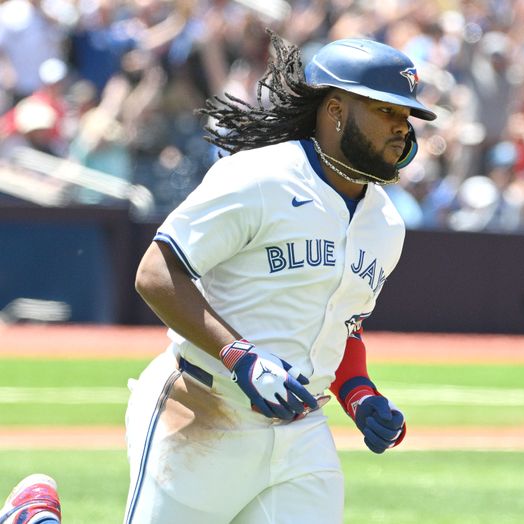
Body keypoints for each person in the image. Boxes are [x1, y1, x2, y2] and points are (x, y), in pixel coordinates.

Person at [125, 31, 435, 523]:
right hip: (202, 407)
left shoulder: (386, 223)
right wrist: (239, 355)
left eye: (406, 115)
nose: (403, 128)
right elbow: (156, 272)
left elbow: (341, 326)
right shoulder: (260, 176)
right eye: (386, 111)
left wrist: (358, 392)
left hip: (302, 433)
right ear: (335, 110)